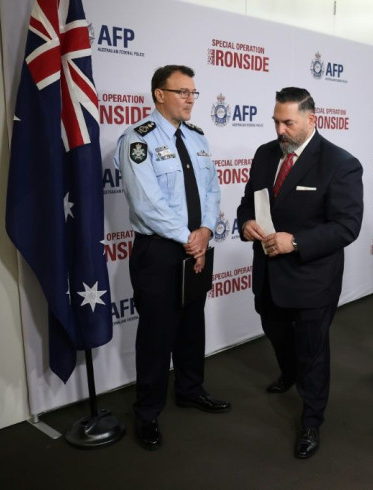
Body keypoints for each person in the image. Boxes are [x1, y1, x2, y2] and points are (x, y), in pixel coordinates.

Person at [237, 87, 363, 459]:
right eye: (276, 121)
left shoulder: (340, 163)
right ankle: (288, 373)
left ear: (312, 119)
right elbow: (249, 201)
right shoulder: (264, 154)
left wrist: (297, 243)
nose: (280, 130)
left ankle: (311, 419)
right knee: (275, 331)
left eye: (288, 122)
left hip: (312, 277)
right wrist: (245, 223)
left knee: (313, 351)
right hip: (268, 273)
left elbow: (347, 226)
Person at [115, 65, 229, 450]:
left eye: (194, 93)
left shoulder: (197, 138)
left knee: (191, 322)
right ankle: (147, 410)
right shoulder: (138, 140)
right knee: (156, 331)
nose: (190, 99)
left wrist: (206, 231)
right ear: (159, 94)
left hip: (196, 243)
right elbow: (147, 203)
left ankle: (190, 389)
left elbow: (212, 190)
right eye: (183, 92)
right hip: (161, 249)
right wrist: (189, 239)